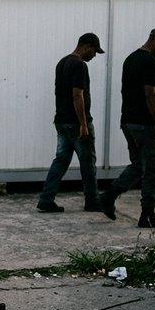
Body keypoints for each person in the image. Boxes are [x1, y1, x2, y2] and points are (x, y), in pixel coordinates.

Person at [99, 27, 155, 228]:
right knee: (153, 168)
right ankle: (148, 215)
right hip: (145, 124)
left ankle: (108, 196)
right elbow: (150, 94)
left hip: (128, 122)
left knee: (138, 165)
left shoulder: (130, 58)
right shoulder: (151, 62)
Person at [37, 33, 105, 213]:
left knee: (60, 160)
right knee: (88, 161)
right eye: (94, 51)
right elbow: (77, 94)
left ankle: (46, 198)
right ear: (87, 46)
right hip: (76, 123)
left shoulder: (62, 62)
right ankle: (92, 201)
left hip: (61, 121)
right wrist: (83, 123)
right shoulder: (79, 65)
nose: (94, 56)